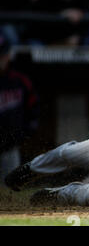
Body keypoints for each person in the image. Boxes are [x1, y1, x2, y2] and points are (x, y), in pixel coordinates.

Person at [0, 31, 39, 185]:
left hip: (10, 148)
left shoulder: (20, 81)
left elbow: (33, 109)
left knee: (10, 187)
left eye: (2, 55)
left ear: (8, 55)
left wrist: (24, 133)